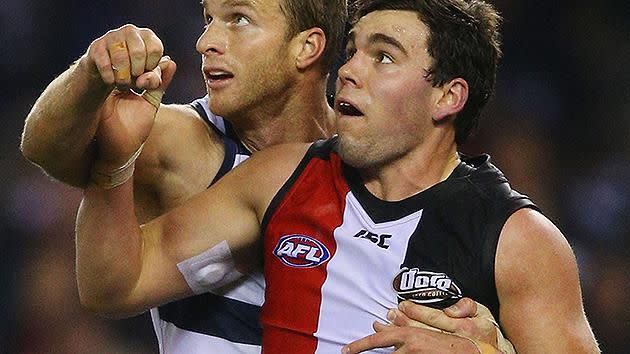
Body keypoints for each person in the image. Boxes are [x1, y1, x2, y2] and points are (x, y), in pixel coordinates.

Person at [72, 0, 601, 352]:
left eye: (384, 58)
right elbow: (115, 286)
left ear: (448, 96)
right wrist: (113, 164)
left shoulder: (519, 240)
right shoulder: (283, 177)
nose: (349, 70)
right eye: (352, 52)